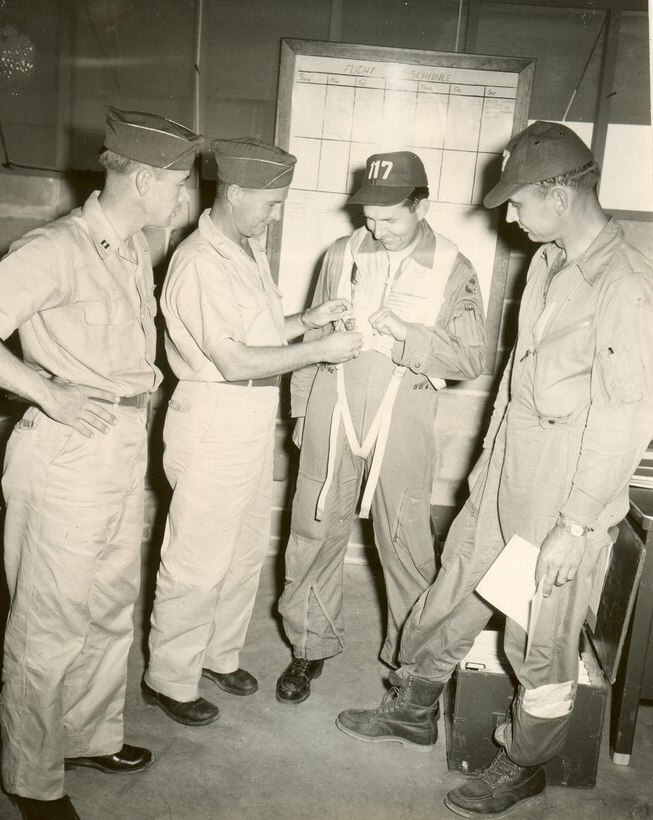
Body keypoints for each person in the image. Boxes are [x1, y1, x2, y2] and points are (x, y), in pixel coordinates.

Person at [335, 122, 653, 817]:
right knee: (457, 584)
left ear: (559, 194)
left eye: (518, 202)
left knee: (538, 633)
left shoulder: (626, 285)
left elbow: (624, 416)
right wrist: (485, 472)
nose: (509, 216)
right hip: (511, 466)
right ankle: (414, 703)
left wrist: (575, 523)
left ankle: (527, 760)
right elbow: (515, 379)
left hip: (567, 485)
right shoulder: (550, 260)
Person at [0, 106, 204, 820]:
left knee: (108, 606)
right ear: (146, 179)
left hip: (119, 448)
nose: (183, 198)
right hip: (66, 454)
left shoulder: (126, 250)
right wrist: (46, 390)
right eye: (178, 182)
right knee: (48, 622)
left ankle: (85, 735)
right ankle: (32, 777)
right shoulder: (58, 246)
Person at [141, 137, 363, 727]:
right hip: (215, 414)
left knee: (240, 553)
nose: (276, 213)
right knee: (196, 557)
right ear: (235, 194)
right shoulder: (198, 262)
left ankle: (217, 655)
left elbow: (257, 337)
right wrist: (319, 348)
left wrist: (304, 322)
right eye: (270, 202)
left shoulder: (243, 247)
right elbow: (234, 361)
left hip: (248, 417)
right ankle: (169, 677)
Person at [275, 150, 486, 705]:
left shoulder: (453, 265)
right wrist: (301, 411)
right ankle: (307, 646)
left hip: (406, 414)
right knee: (315, 528)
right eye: (370, 217)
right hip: (332, 407)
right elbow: (311, 340)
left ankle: (411, 667)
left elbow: (470, 359)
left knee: (405, 542)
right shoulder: (341, 253)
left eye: (391, 218)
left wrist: (411, 335)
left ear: (421, 206)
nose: (377, 229)